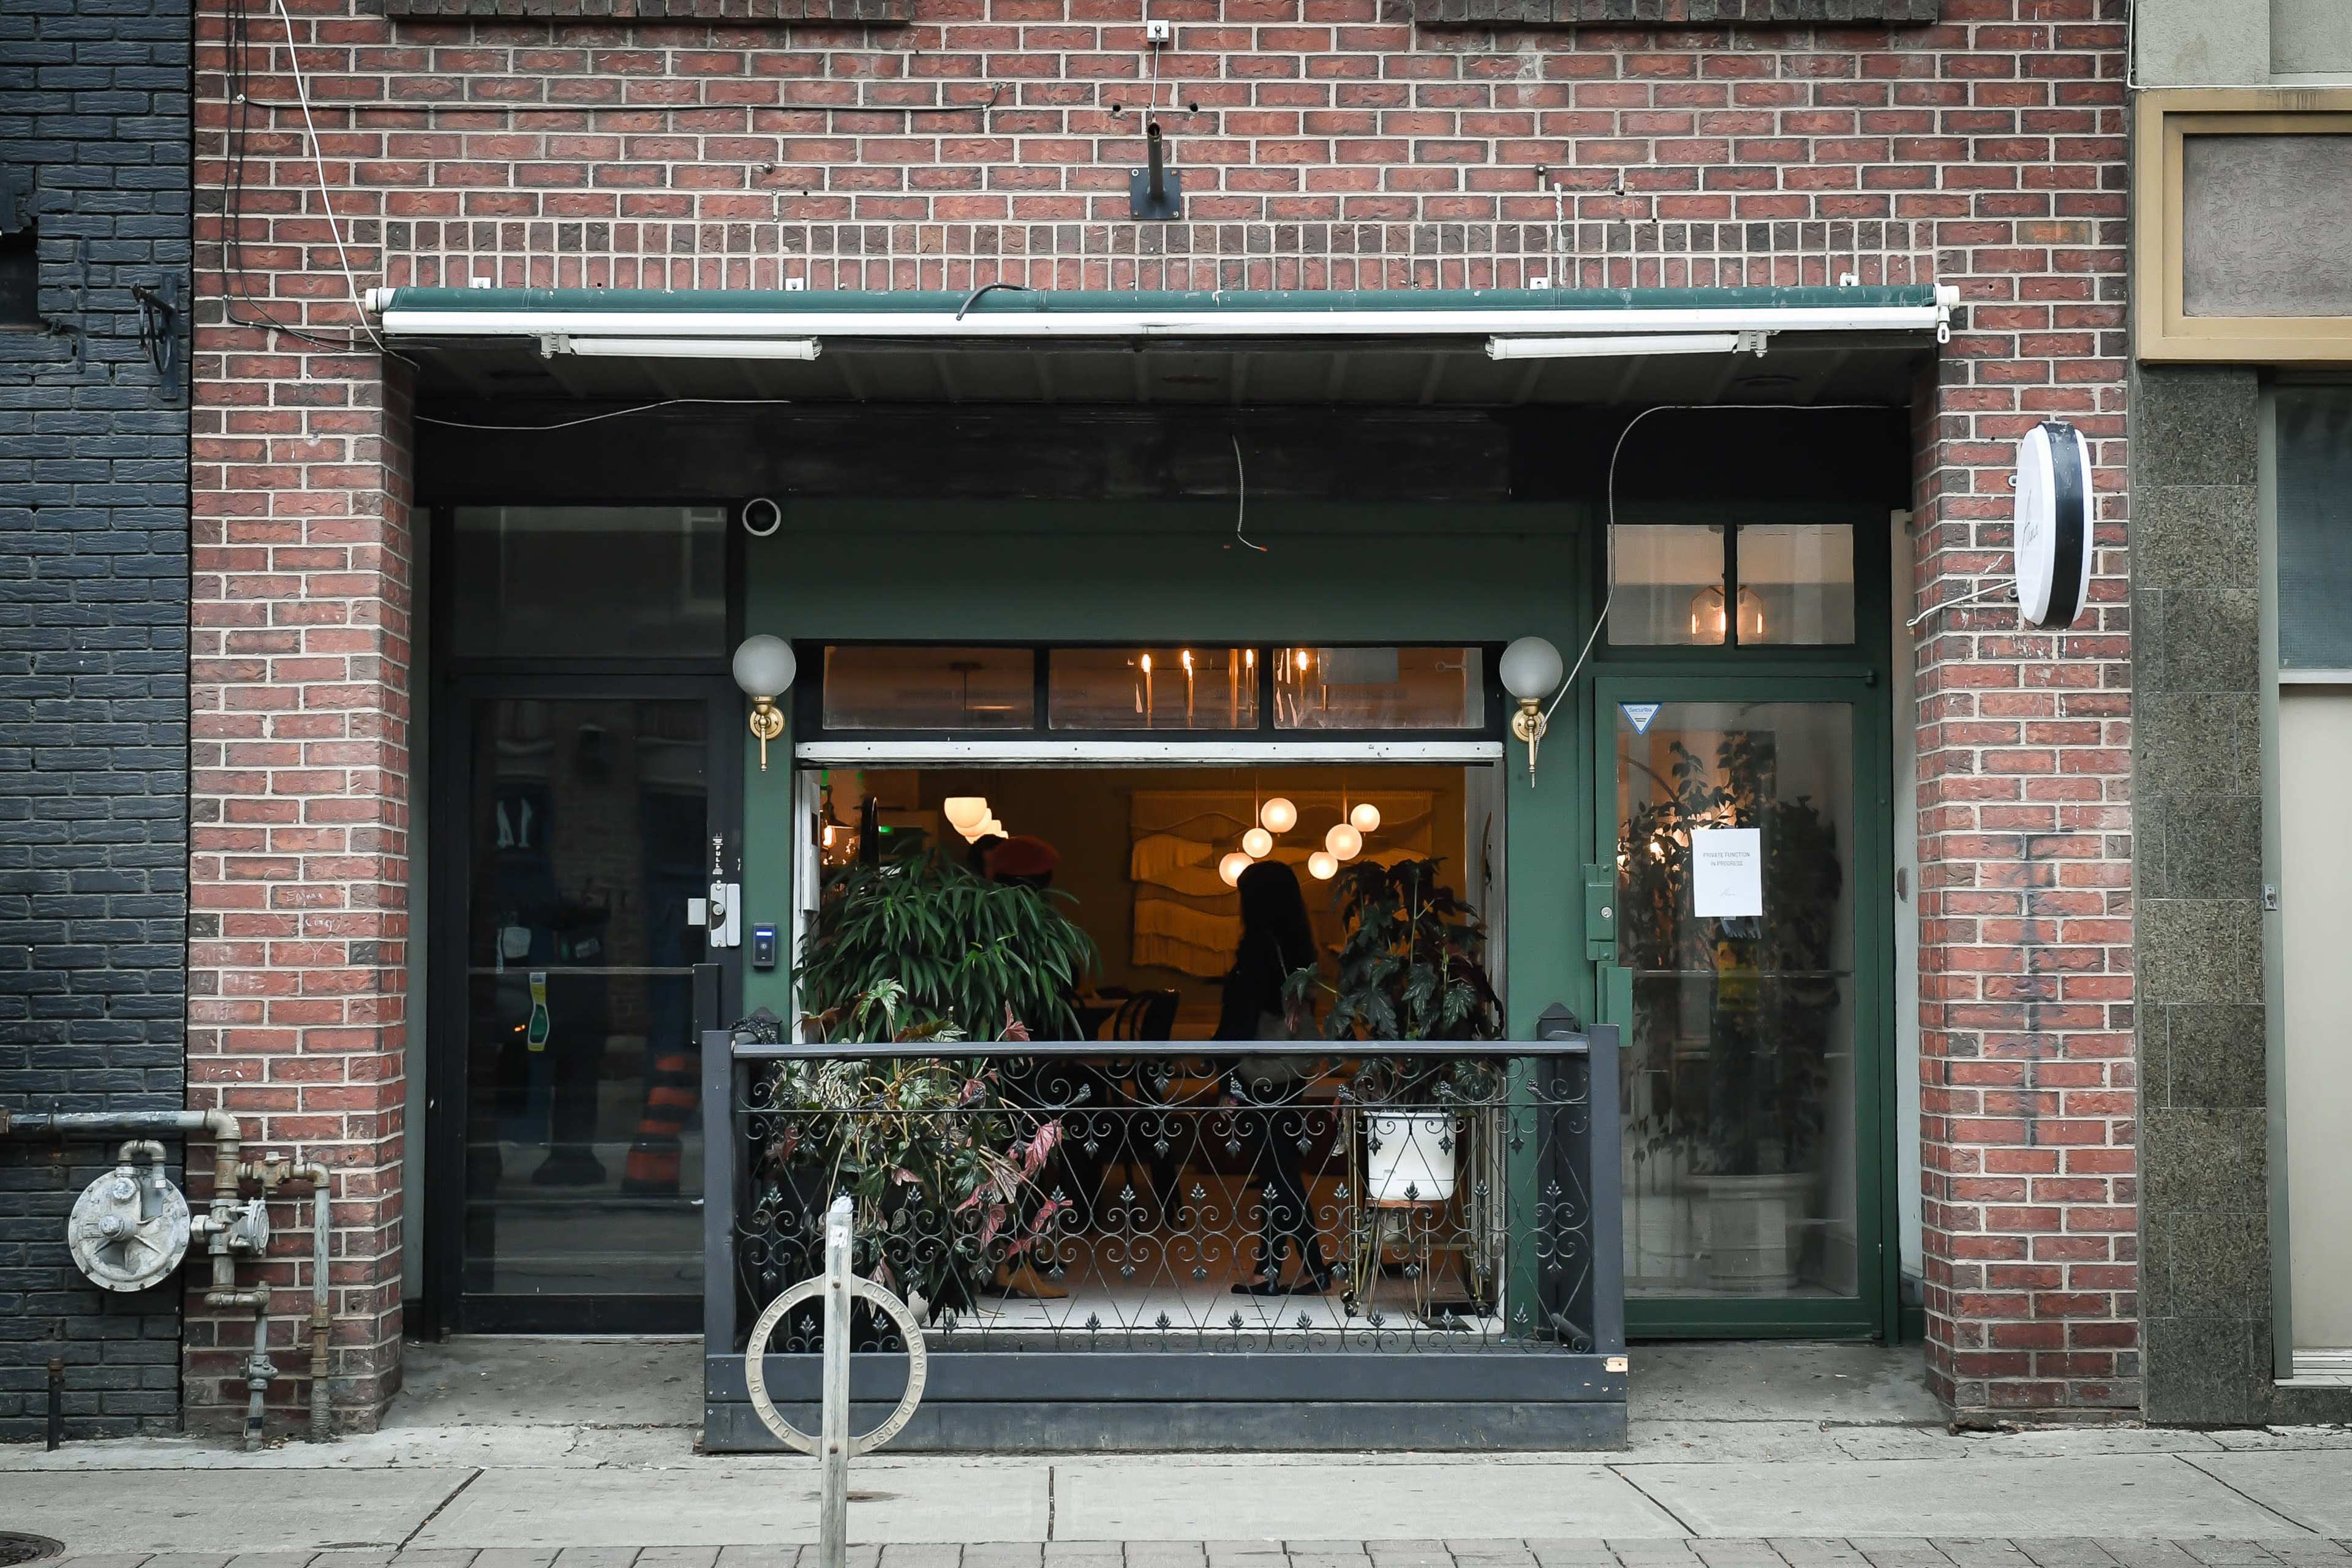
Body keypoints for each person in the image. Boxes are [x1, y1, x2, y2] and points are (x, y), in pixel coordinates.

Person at [1218, 860, 1335, 1296]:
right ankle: (1270, 1268)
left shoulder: (1258, 947)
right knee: (1278, 1168)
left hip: (1259, 1071)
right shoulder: (1298, 943)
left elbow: (1240, 1018)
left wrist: (1225, 1079)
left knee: (1278, 1170)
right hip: (1288, 1070)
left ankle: (1311, 1266)